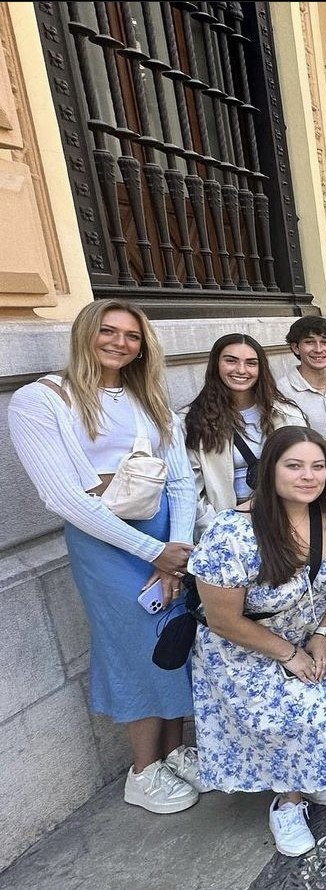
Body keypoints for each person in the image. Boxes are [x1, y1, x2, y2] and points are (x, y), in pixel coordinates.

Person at [9, 300, 199, 814]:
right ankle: (142, 772)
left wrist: (176, 549)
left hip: (166, 541)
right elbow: (64, 498)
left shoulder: (149, 396)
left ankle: (176, 750)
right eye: (108, 332)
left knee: (175, 636)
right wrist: (153, 552)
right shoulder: (40, 400)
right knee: (136, 646)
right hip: (108, 546)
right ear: (85, 334)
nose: (120, 343)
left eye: (132, 336)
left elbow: (180, 478)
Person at [187, 426, 326, 855]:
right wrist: (288, 654)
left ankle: (313, 773)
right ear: (269, 470)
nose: (308, 476)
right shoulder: (232, 533)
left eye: (316, 466)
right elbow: (223, 619)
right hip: (246, 647)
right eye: (294, 466)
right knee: (296, 713)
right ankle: (287, 802)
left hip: (312, 633)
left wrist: (325, 632)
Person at [183, 334, 307, 539]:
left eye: (251, 363)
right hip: (228, 527)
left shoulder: (287, 414)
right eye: (231, 360)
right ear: (216, 365)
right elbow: (191, 491)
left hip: (285, 521)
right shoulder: (192, 421)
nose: (241, 370)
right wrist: (220, 532)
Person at [277, 316, 326, 439]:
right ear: (295, 348)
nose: (318, 349)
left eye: (325, 342)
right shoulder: (279, 392)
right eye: (309, 342)